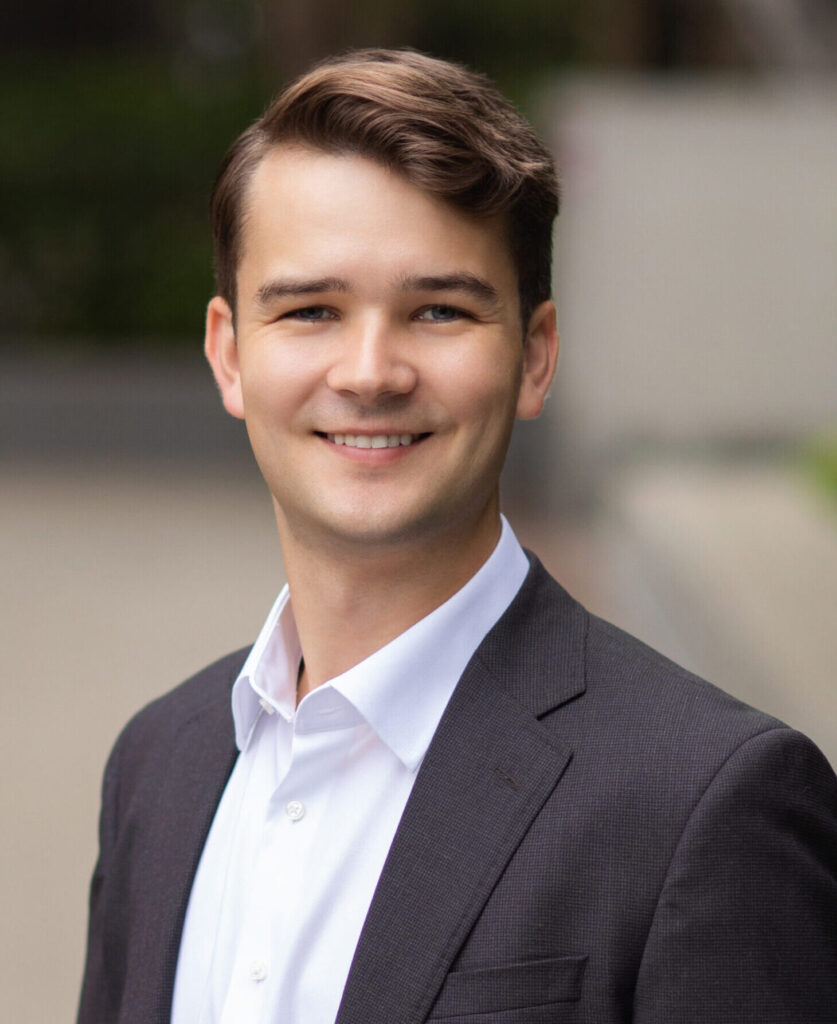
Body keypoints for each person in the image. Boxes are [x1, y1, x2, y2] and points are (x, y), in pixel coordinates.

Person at [77, 49, 837, 1024]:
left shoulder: (706, 801)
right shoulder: (158, 764)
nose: (369, 372)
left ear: (536, 355)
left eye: (438, 310)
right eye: (310, 310)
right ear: (229, 354)